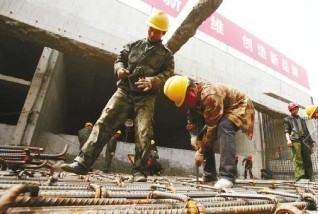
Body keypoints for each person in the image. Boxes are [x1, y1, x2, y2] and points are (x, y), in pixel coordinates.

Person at [61, 11, 175, 182]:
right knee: (104, 122)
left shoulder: (167, 55)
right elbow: (119, 59)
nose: (152, 33)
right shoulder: (133, 45)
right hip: (125, 91)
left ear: (163, 34)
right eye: (151, 29)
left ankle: (139, 172)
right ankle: (82, 163)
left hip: (146, 97)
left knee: (144, 132)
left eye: (157, 31)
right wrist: (120, 70)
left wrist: (152, 81)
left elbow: (167, 74)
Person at [163, 75, 255, 188]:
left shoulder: (209, 95)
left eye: (185, 101)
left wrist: (201, 152)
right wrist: (193, 135)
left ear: (192, 91)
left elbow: (212, 128)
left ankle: (228, 176)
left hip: (239, 106)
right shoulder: (191, 97)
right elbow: (191, 115)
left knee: (224, 126)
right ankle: (210, 175)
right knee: (202, 137)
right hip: (222, 110)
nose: (186, 104)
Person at [283, 102, 314, 181]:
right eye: (293, 108)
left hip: (304, 140)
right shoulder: (287, 119)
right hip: (295, 141)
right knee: (298, 159)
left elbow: (306, 131)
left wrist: (310, 142)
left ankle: (309, 176)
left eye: (296, 108)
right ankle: (300, 177)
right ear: (291, 110)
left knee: (307, 158)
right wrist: (288, 140)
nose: (295, 109)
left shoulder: (301, 119)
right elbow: (286, 131)